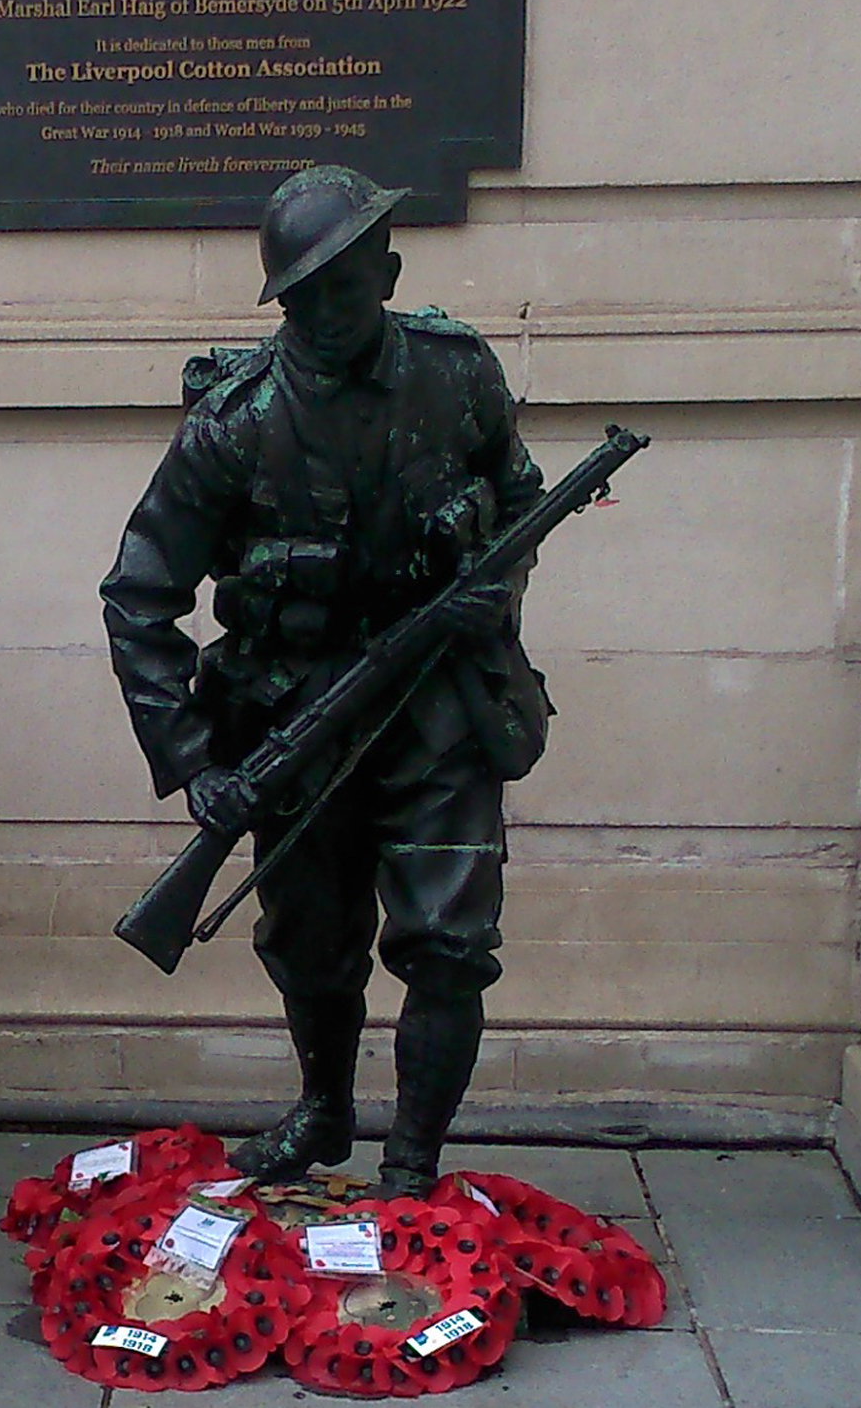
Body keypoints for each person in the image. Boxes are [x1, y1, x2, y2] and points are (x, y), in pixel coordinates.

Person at [98, 165, 551, 1197]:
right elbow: (137, 592)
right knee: (308, 943)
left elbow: (518, 496)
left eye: (345, 287)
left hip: (439, 704)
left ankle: (411, 1164)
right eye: (303, 296)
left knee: (446, 943)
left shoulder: (458, 372)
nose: (326, 312)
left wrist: (495, 585)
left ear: (387, 273)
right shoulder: (233, 420)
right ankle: (323, 1110)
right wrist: (193, 758)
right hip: (295, 715)